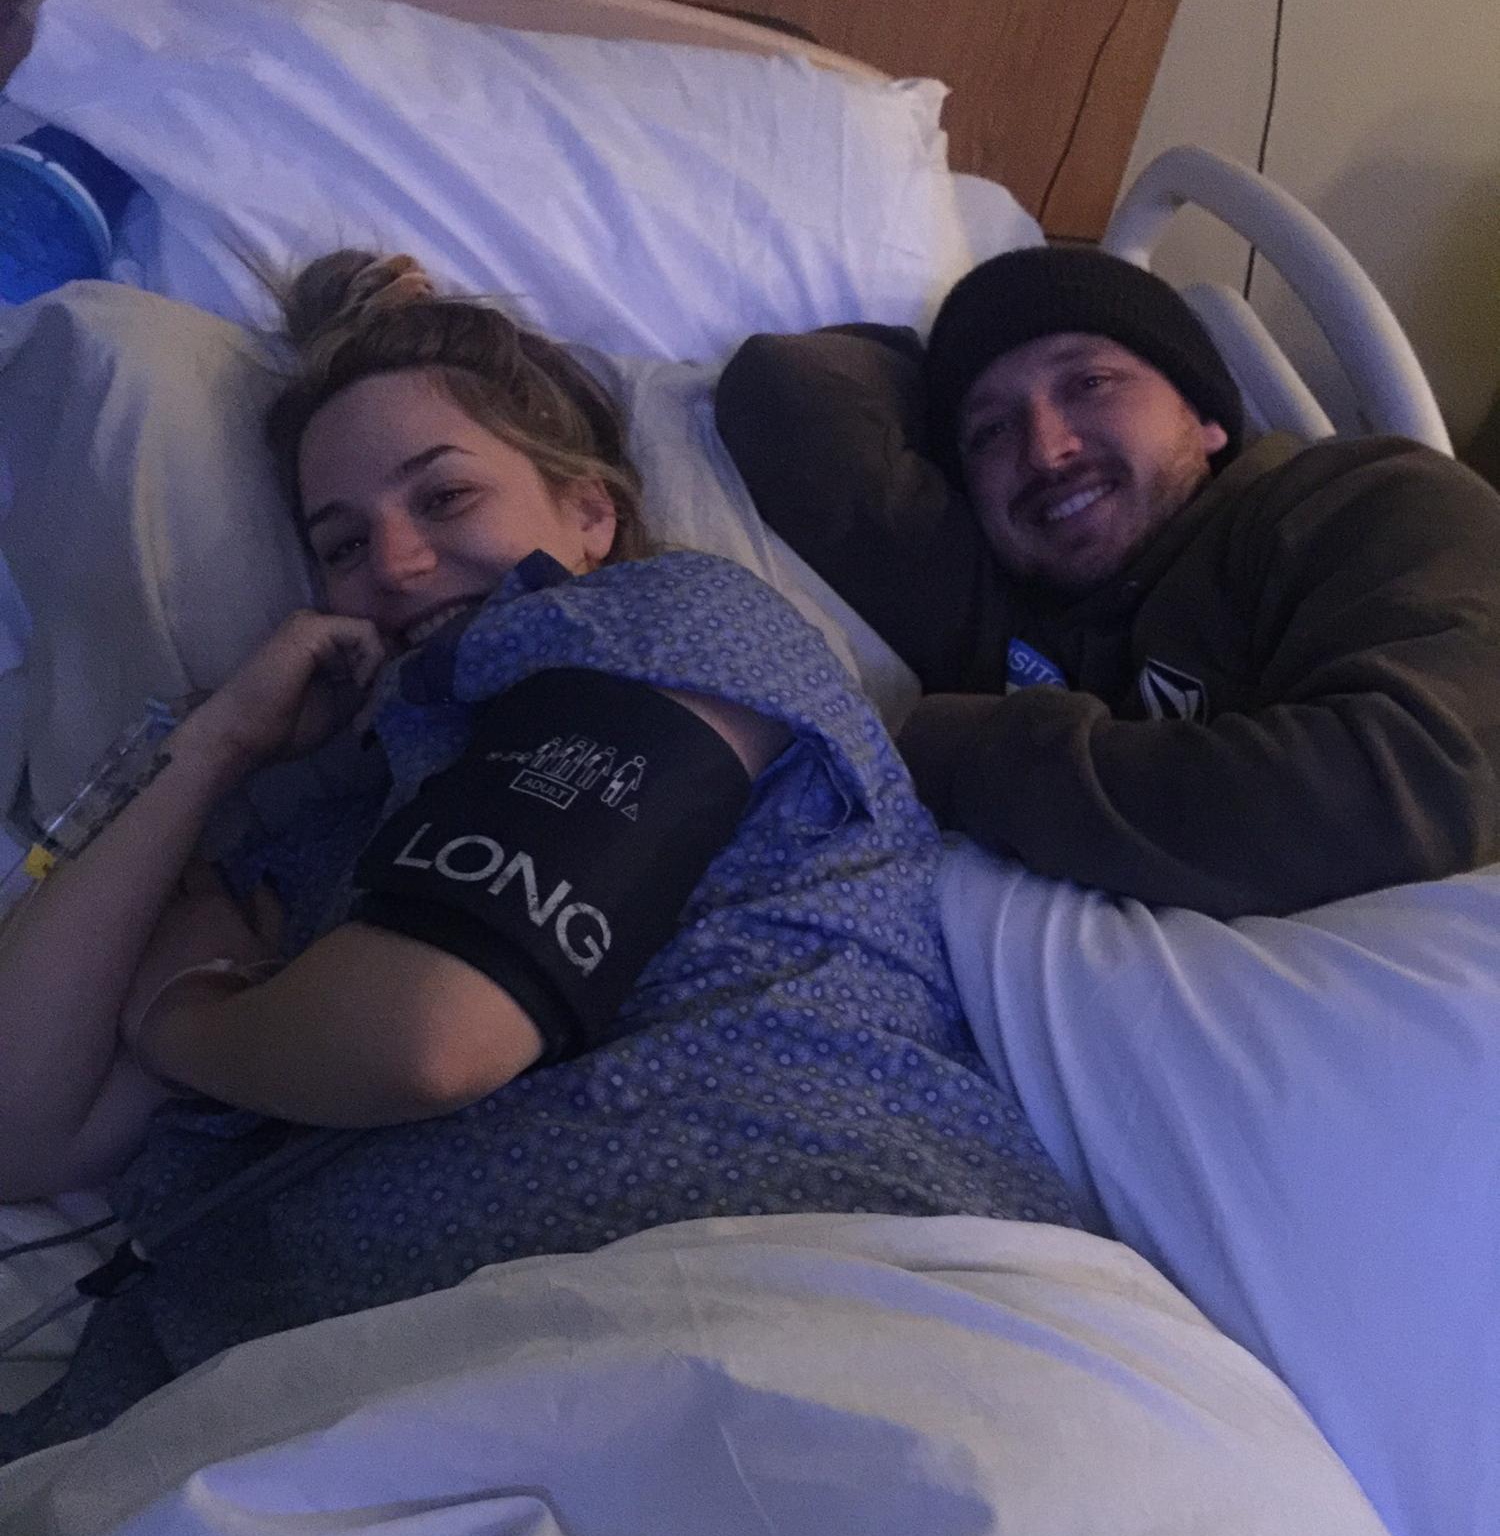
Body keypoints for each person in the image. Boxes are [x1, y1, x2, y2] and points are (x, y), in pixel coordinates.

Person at [0, 252, 1078, 1465]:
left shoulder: (676, 628)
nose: (394, 564)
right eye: (341, 543)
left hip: (809, 1320)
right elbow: (22, 1126)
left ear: (590, 513)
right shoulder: (336, 840)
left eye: (446, 496)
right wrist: (216, 746)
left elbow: (432, 1035)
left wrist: (186, 1019)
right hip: (360, 1419)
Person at [714, 245, 1500, 918]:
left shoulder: (1372, 505)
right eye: (991, 430)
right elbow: (784, 391)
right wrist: (951, 361)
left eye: (1089, 383)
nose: (1045, 449)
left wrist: (970, 753)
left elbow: (1404, 794)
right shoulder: (994, 600)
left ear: (1207, 417)